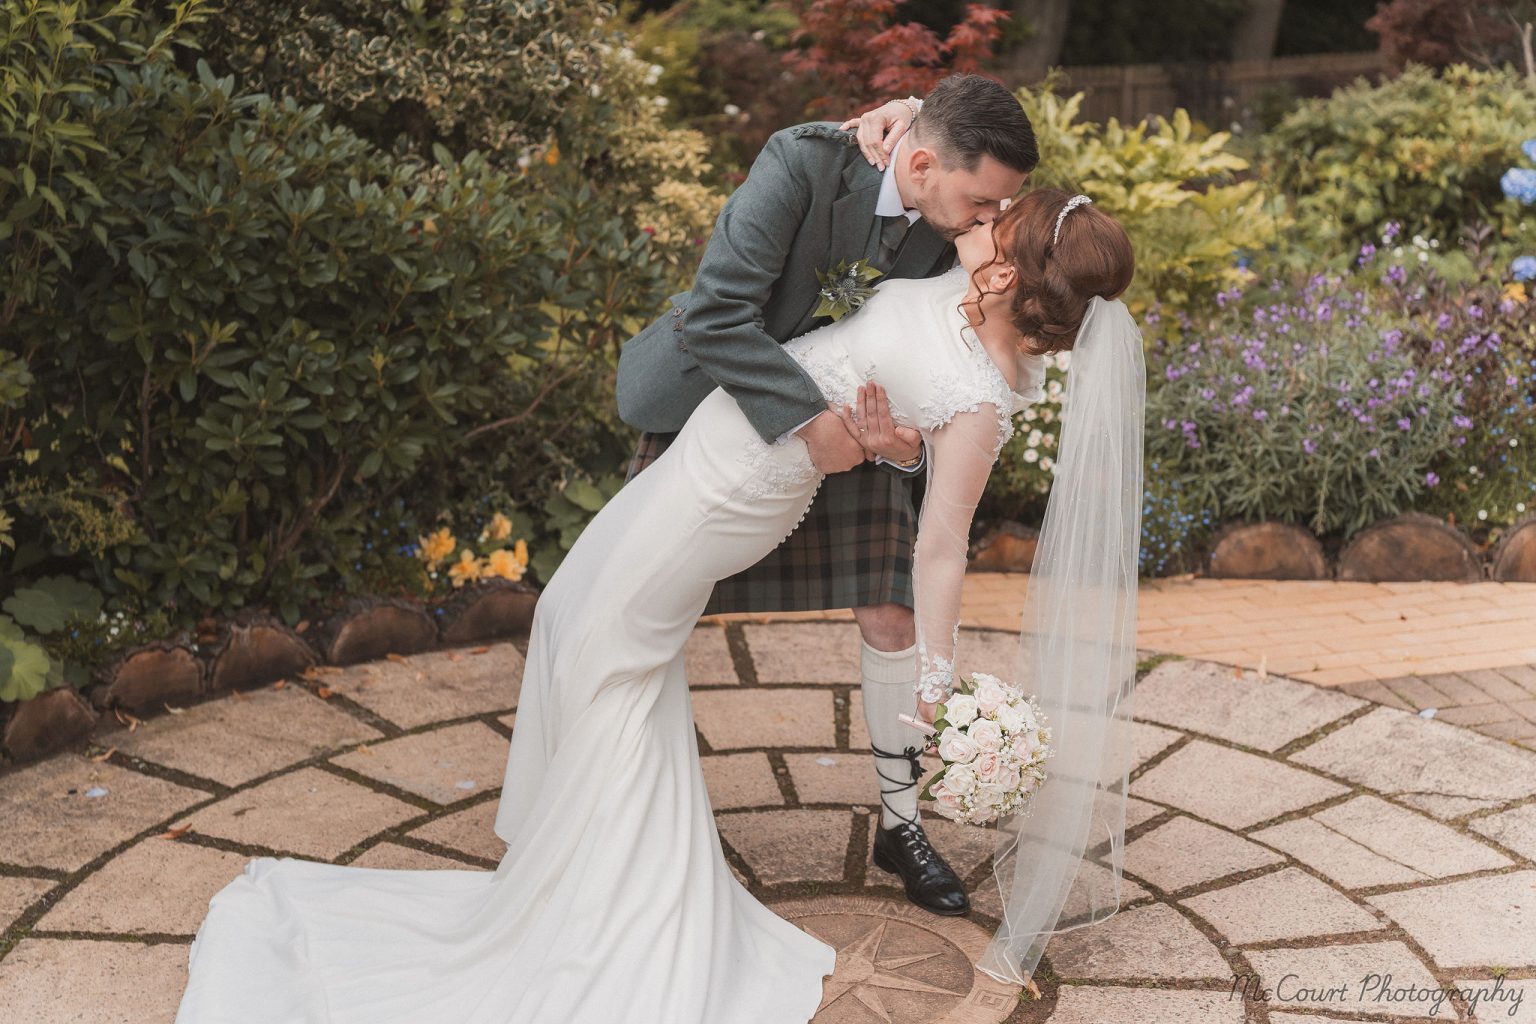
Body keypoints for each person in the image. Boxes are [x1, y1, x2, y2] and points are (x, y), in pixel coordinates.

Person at [170, 186, 1143, 1022]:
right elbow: (897, 408)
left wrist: (935, 669)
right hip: (729, 434)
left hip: (742, 486)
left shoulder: (985, 400)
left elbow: (939, 545)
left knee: (607, 653)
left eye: (1004, 223)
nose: (985, 217)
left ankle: (603, 922)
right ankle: (589, 881)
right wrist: (891, 442)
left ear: (1012, 277)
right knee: (581, 628)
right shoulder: (962, 294)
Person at [615, 73, 1038, 916]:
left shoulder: (961, 221)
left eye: (1002, 206)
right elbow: (718, 314)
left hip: (860, 422)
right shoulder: (805, 162)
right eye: (983, 201)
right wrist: (815, 428)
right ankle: (638, 813)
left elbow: (941, 383)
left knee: (893, 615)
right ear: (919, 161)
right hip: (722, 396)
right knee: (651, 608)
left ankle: (901, 823)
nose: (993, 221)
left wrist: (902, 449)